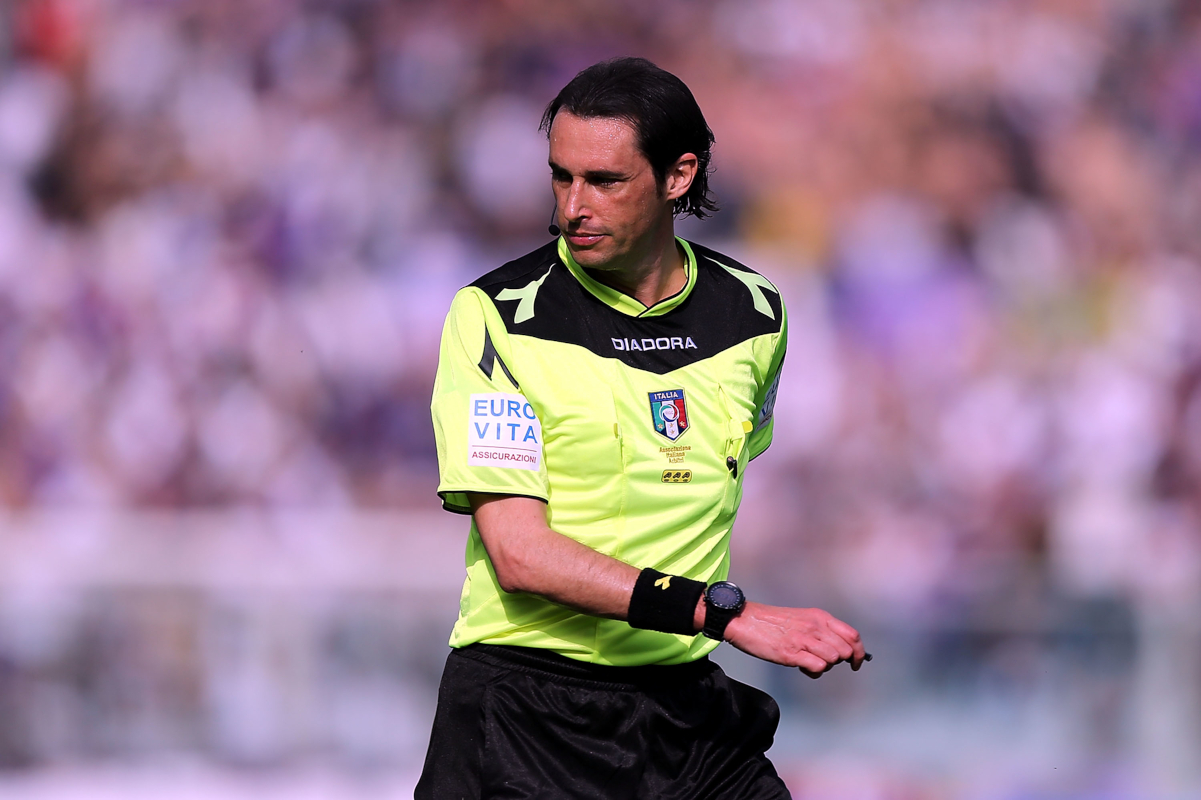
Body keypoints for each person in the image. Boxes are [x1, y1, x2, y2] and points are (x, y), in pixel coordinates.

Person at [416, 57, 867, 799]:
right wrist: (723, 614)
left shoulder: (756, 315)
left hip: (684, 715)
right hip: (527, 718)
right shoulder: (495, 317)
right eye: (561, 177)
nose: (572, 207)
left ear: (678, 176)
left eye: (604, 180)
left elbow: (708, 471)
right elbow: (519, 553)